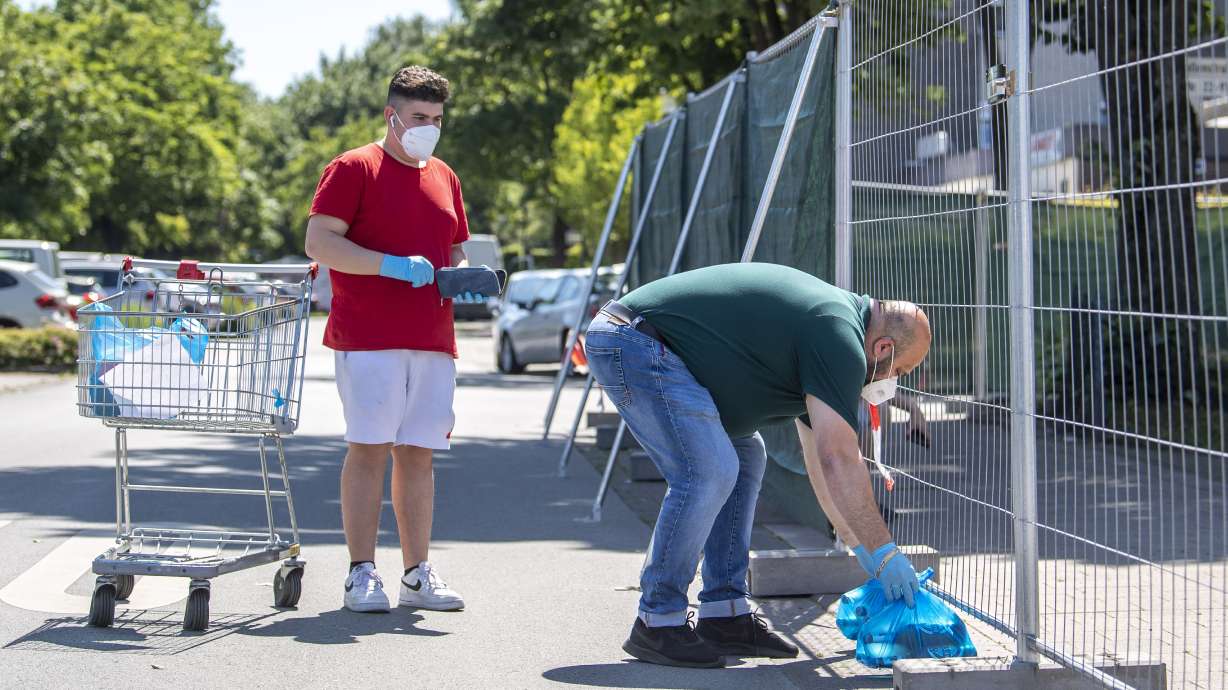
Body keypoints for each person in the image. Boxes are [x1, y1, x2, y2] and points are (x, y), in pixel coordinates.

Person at [583, 262, 932, 668]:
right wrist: (886, 554)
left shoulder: (835, 330)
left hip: (645, 342)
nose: (893, 382)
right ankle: (657, 620)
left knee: (747, 457)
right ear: (883, 348)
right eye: (900, 371)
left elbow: (821, 467)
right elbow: (839, 458)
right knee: (708, 471)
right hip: (634, 341)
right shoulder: (839, 336)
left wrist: (864, 550)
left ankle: (724, 613)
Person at [305, 65, 477, 614]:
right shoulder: (353, 167)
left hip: (432, 339)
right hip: (369, 337)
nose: (429, 127)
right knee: (369, 449)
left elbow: (456, 248)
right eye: (419, 116)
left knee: (419, 455)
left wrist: (463, 276)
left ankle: (416, 575)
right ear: (391, 115)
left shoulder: (444, 175)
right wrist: (391, 266)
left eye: (437, 119)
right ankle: (361, 573)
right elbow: (319, 243)